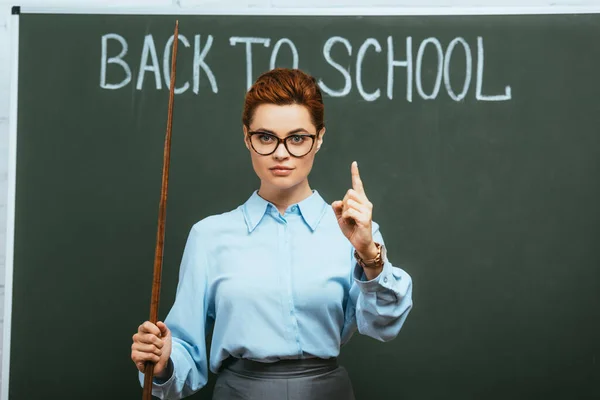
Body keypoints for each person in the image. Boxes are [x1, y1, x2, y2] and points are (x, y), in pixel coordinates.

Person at [131, 68, 413, 400]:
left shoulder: (353, 231)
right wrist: (163, 360)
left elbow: (384, 326)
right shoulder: (209, 237)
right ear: (247, 137)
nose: (281, 153)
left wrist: (369, 254)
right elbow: (185, 354)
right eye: (266, 137)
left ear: (319, 138)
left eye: (297, 138)